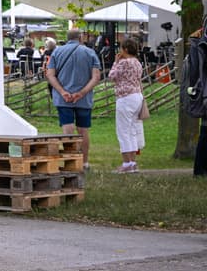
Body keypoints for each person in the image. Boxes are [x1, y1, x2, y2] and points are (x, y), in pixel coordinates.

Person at [46, 28, 102, 170]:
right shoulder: (90, 53)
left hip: (63, 98)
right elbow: (96, 77)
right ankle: (84, 162)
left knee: (68, 128)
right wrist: (82, 93)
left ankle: (70, 161)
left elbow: (50, 75)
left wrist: (62, 92)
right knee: (83, 130)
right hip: (84, 99)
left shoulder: (57, 52)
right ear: (80, 37)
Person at [108, 39, 145, 173]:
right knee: (132, 130)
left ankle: (126, 163)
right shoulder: (137, 62)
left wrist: (115, 62)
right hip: (136, 96)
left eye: (121, 48)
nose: (120, 51)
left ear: (126, 50)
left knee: (123, 131)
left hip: (125, 97)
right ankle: (133, 162)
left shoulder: (123, 63)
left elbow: (111, 76)